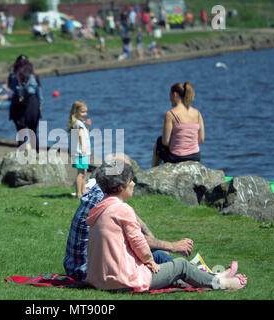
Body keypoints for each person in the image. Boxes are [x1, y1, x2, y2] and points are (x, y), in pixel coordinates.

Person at [85, 159, 248, 292]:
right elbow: (138, 241)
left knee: (171, 269)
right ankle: (223, 284)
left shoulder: (102, 209)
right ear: (121, 187)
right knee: (181, 265)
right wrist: (149, 261)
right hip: (123, 281)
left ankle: (214, 278)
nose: (134, 183)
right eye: (130, 181)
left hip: (101, 279)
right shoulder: (122, 209)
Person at [63, 154, 195, 282]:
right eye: (128, 175)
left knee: (157, 253)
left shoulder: (104, 191)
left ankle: (189, 273)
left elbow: (136, 220)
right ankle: (189, 274)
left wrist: (158, 244)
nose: (132, 180)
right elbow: (137, 240)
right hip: (87, 270)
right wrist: (172, 246)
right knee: (157, 256)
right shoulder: (104, 200)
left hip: (78, 265)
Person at [152, 82, 205, 167]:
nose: (169, 99)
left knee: (159, 141)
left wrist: (178, 145)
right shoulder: (198, 113)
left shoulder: (170, 114)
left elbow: (165, 142)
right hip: (195, 156)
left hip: (177, 157)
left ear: (175, 95)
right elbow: (201, 139)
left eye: (170, 95)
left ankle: (153, 172)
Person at [8, 54, 44, 152]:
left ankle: (22, 157)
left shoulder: (12, 76)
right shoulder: (33, 76)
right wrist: (40, 104)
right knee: (33, 131)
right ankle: (36, 156)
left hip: (17, 103)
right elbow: (39, 91)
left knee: (21, 132)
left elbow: (11, 90)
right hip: (32, 103)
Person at [68, 101, 92, 199]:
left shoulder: (79, 123)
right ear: (76, 112)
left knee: (84, 171)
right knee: (81, 173)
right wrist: (83, 147)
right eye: (82, 112)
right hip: (80, 152)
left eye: (86, 111)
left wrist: (87, 126)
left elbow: (83, 133)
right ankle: (79, 193)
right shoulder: (78, 124)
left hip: (79, 152)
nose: (85, 114)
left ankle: (83, 191)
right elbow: (80, 135)